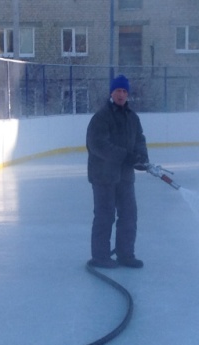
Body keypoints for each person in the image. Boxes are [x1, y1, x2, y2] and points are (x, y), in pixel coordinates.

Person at [86, 74, 149, 269]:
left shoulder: (132, 118)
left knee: (129, 215)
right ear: (111, 93)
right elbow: (97, 145)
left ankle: (125, 254)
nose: (121, 94)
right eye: (117, 91)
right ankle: (100, 256)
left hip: (125, 177)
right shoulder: (101, 117)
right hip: (104, 176)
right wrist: (125, 156)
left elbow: (140, 140)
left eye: (124, 91)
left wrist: (141, 158)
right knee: (105, 216)